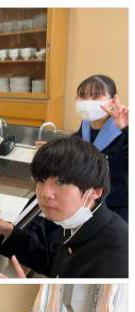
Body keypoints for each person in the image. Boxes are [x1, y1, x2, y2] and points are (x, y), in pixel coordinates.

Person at [0, 136, 128, 278]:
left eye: (60, 182)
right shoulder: (75, 221)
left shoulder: (117, 256)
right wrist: (8, 231)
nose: (45, 193)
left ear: (95, 191)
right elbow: (54, 263)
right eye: (41, 180)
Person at [36, 75, 128, 221]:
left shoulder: (124, 131)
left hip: (117, 206)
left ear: (113, 100)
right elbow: (77, 147)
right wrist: (55, 149)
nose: (88, 102)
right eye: (83, 96)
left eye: (96, 96)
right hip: (86, 203)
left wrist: (127, 129)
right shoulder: (85, 125)